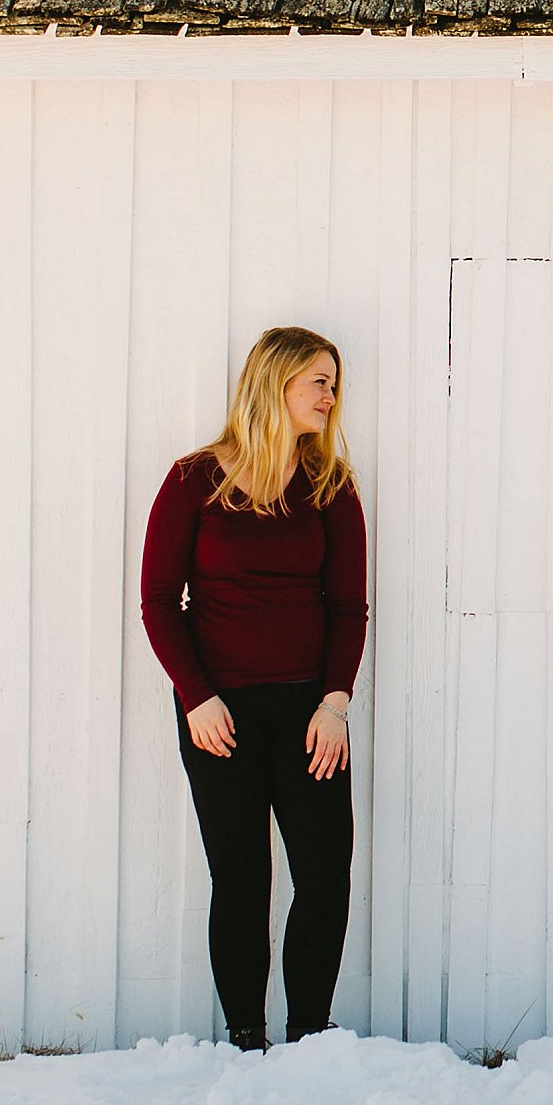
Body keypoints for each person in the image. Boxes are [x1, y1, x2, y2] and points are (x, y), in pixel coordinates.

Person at [139, 326, 367, 1051]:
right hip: (220, 714)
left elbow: (346, 606)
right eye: (319, 382)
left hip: (309, 715)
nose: (332, 396)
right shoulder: (193, 479)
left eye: (334, 382)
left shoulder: (331, 485)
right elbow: (157, 601)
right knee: (240, 878)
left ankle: (309, 1036)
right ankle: (246, 1040)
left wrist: (335, 701)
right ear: (276, 383)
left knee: (324, 875)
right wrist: (195, 694)